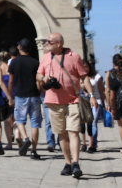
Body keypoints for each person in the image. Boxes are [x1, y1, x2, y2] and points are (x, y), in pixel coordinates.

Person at [37, 33, 93, 178]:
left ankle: (76, 163)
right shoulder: (45, 57)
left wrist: (91, 95)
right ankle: (67, 163)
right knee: (62, 134)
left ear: (59, 43)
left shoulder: (74, 57)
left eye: (50, 42)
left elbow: (83, 76)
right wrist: (44, 78)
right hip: (53, 102)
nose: (47, 44)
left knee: (73, 132)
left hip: (73, 100)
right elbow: (38, 75)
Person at [8, 38, 42, 160]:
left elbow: (11, 80)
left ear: (20, 48)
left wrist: (10, 95)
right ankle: (33, 151)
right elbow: (39, 80)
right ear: (31, 49)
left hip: (20, 94)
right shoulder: (35, 62)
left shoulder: (14, 62)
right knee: (35, 124)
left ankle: (25, 138)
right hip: (34, 94)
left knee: (20, 119)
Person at [0, 51, 17, 151]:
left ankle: (10, 143)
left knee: (7, 120)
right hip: (14, 94)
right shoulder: (11, 68)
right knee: (15, 119)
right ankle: (18, 135)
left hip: (4, 95)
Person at [84, 58, 103, 153]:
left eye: (86, 66)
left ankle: (93, 144)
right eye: (83, 67)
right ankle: (88, 142)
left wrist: (106, 103)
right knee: (88, 122)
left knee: (94, 121)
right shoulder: (80, 77)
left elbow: (101, 90)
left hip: (97, 101)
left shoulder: (97, 77)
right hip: (85, 102)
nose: (85, 68)